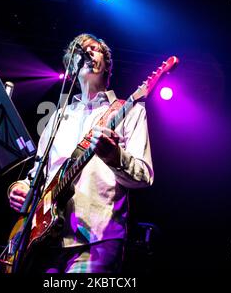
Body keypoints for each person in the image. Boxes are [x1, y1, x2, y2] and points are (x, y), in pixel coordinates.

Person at [8, 33, 154, 273]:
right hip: (46, 239)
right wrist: (20, 187)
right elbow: (39, 174)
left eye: (94, 49)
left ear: (107, 64)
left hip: (96, 238)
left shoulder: (131, 110)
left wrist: (113, 156)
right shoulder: (57, 117)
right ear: (71, 66)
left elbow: (144, 176)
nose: (87, 53)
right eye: (80, 51)